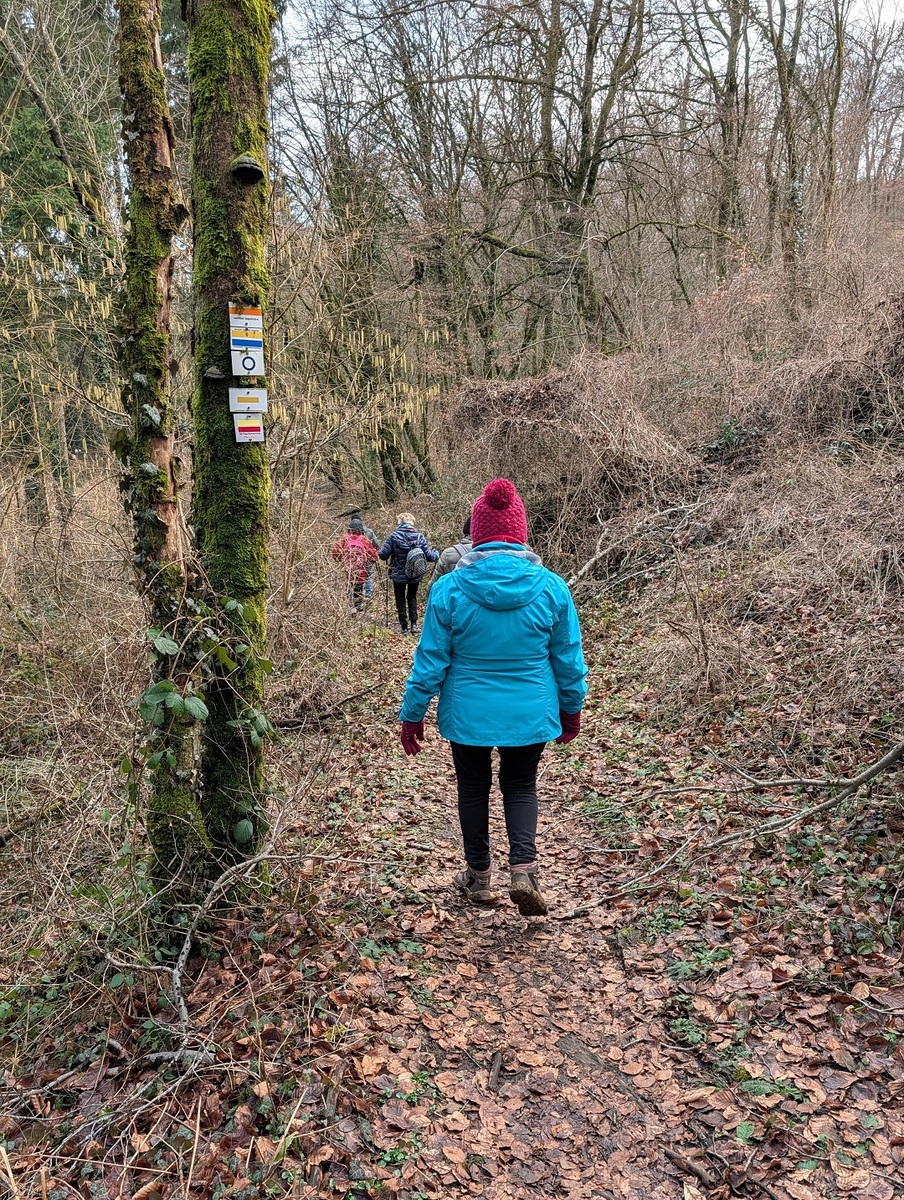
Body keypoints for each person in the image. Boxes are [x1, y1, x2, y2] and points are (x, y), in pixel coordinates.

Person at [397, 478, 587, 916]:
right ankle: (524, 872)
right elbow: (568, 659)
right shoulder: (552, 588)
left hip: (468, 712)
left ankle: (479, 878)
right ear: (520, 533)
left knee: (473, 787)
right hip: (530, 709)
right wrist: (571, 708)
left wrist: (413, 714)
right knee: (520, 784)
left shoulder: (448, 589)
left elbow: (430, 661)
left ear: (477, 534)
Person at [378, 513, 439, 635]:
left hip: (398, 574)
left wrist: (378, 551)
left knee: (400, 598)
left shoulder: (393, 536)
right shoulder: (420, 537)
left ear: (400, 522)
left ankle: (404, 626)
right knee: (412, 596)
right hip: (415, 573)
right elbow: (430, 556)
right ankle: (414, 624)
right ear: (412, 522)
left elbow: (383, 555)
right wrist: (437, 553)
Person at [332, 522, 378, 614]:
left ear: (349, 529)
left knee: (349, 587)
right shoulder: (364, 540)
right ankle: (357, 606)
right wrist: (370, 560)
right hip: (361, 570)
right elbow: (374, 556)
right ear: (361, 529)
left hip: (348, 570)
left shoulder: (344, 538)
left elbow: (335, 553)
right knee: (358, 588)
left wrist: (341, 559)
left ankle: (350, 606)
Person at [349, 516, 380, 600]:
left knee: (352, 578)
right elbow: (377, 545)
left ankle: (352, 598)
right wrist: (375, 556)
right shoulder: (369, 532)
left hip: (351, 562)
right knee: (368, 575)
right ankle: (368, 595)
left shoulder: (348, 535)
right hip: (367, 558)